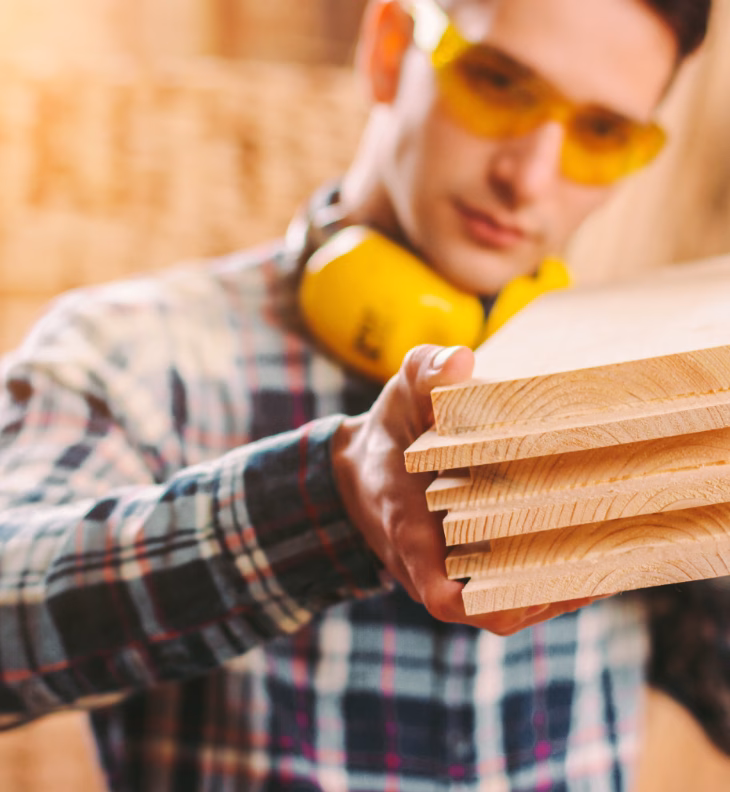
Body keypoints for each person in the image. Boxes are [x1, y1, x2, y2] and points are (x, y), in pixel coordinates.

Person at [0, 0, 719, 789]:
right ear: (386, 46)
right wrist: (330, 493)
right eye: (497, 81)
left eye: (602, 133)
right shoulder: (135, 351)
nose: (530, 177)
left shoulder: (638, 386)